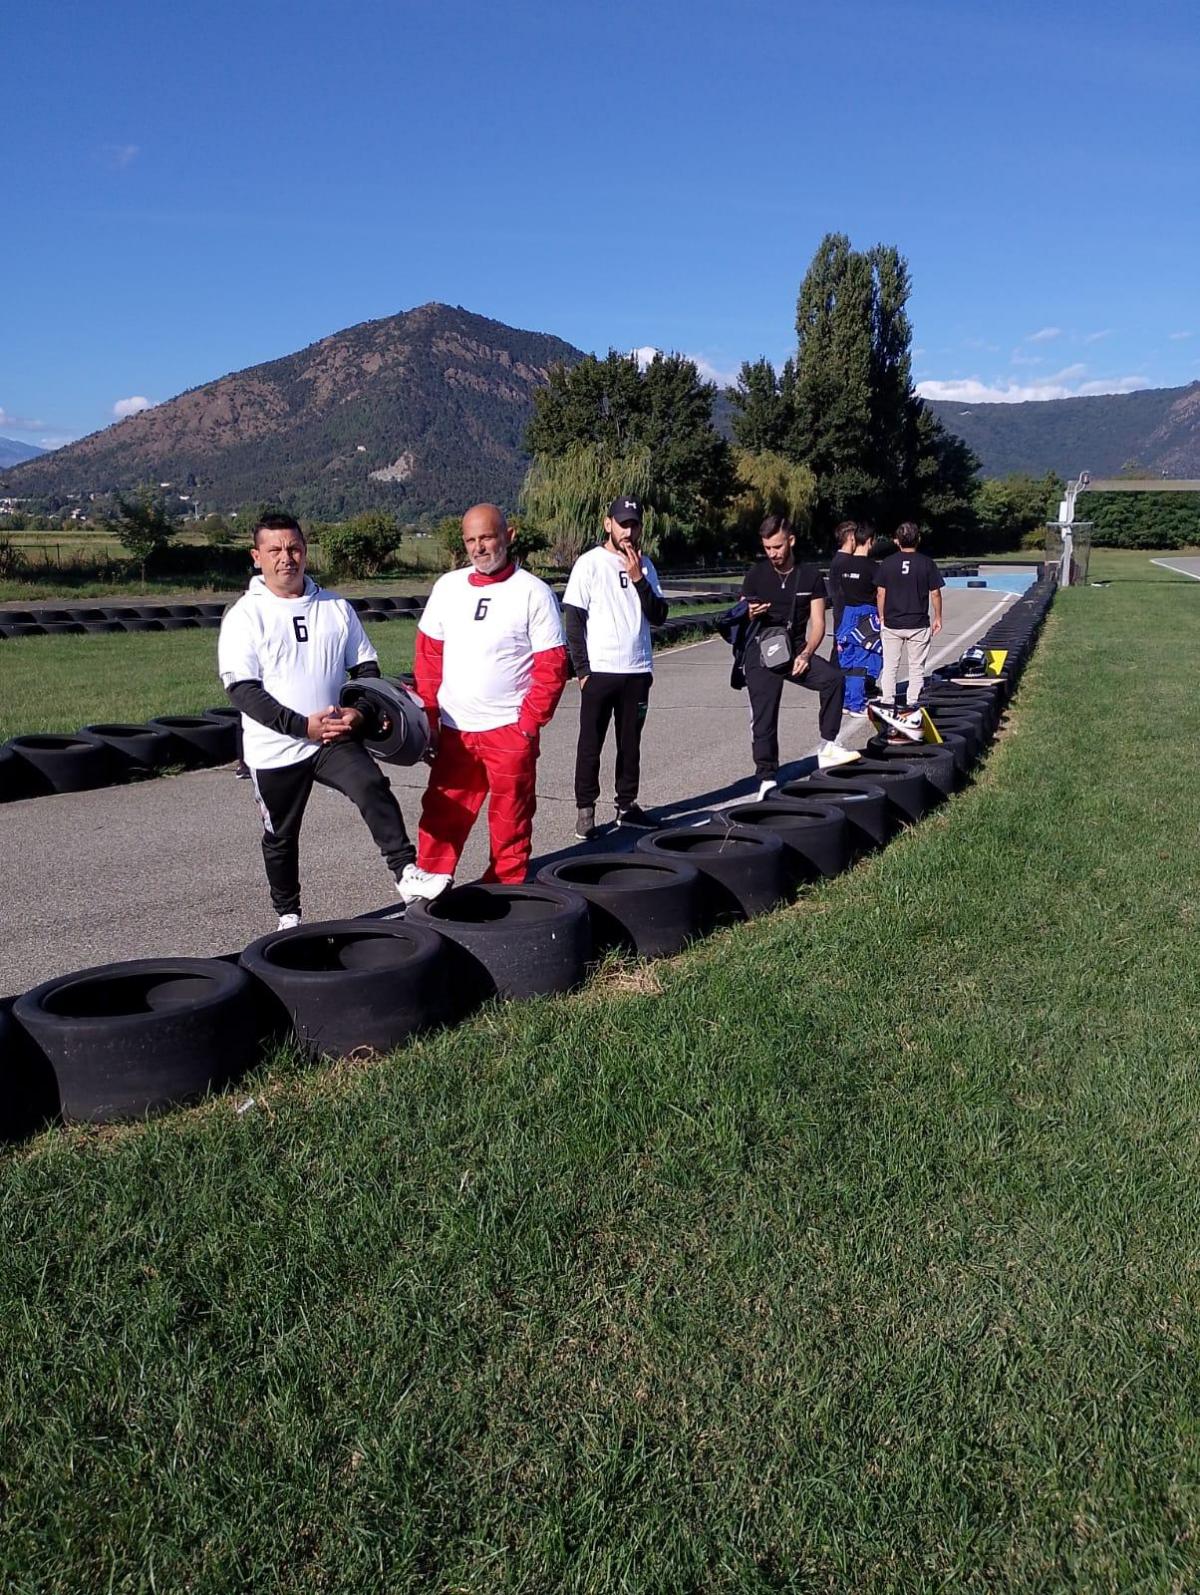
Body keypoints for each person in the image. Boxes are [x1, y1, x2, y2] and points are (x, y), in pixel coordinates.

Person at [218, 512, 444, 929]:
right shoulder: (245, 616)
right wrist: (301, 726)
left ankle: (406, 874)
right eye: (274, 550)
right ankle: (288, 914)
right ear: (256, 557)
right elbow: (243, 691)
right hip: (276, 748)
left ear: (305, 550)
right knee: (281, 835)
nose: (286, 557)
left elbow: (366, 670)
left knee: (372, 786)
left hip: (333, 738)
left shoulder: (336, 607)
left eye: (294, 548)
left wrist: (360, 712)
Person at [413, 503, 568, 884]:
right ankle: (429, 885)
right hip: (455, 731)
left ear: (508, 536)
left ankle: (506, 888)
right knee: (442, 813)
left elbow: (552, 666)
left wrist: (528, 724)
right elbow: (428, 659)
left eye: (487, 537)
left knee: (510, 816)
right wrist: (429, 720)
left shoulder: (533, 592)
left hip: (509, 730)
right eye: (471, 540)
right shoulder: (448, 588)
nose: (479, 547)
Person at [562, 495, 669, 839]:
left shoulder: (646, 566)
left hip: (637, 670)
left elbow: (659, 615)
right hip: (600, 671)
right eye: (623, 524)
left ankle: (627, 805)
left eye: (634, 525)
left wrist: (638, 578)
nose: (628, 531)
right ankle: (585, 810)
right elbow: (574, 621)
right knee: (590, 744)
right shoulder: (589, 563)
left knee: (630, 744)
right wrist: (582, 671)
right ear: (608, 524)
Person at [740, 514, 860, 800]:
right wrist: (748, 613)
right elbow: (739, 615)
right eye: (767, 548)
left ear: (791, 540)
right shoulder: (756, 575)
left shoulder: (810, 577)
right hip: (761, 651)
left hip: (795, 649)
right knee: (764, 716)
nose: (773, 554)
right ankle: (767, 777)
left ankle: (828, 744)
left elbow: (818, 623)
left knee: (833, 679)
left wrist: (806, 653)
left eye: (777, 547)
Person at [875, 520, 944, 709]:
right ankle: (912, 701)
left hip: (892, 622)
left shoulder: (887, 563)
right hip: (918, 622)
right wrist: (938, 617)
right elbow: (935, 593)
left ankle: (887, 700)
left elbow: (881, 593)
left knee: (890, 665)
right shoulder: (926, 563)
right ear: (918, 539)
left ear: (897, 540)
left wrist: (881, 615)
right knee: (916, 667)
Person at [830, 521, 882, 716]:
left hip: (847, 612)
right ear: (869, 541)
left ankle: (846, 700)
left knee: (847, 657)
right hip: (865, 613)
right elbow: (880, 593)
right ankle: (856, 703)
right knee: (862, 657)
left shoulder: (844, 564)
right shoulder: (872, 567)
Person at [826, 520, 859, 647]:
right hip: (845, 614)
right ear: (851, 538)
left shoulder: (838, 560)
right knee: (842, 650)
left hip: (841, 613)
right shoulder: (845, 561)